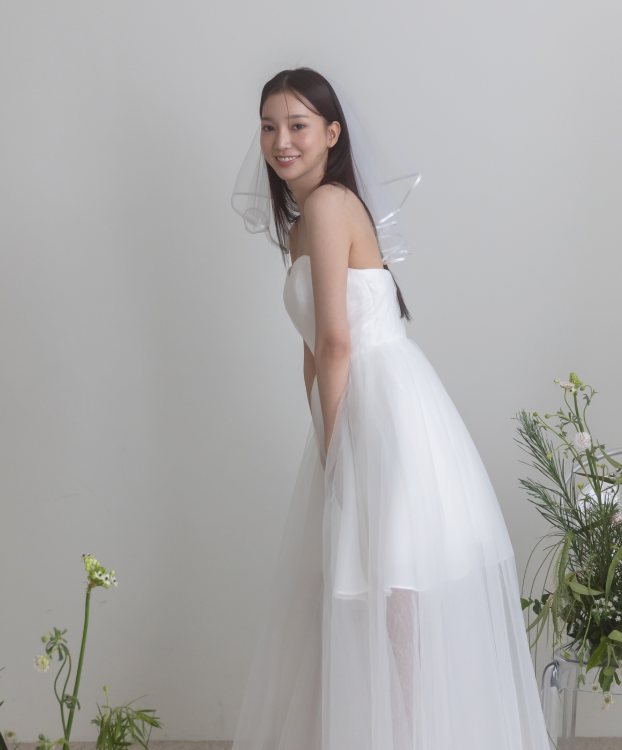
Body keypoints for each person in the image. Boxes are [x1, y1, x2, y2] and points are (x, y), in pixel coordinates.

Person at [230, 67, 550, 750]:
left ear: (331, 133)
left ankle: (411, 734)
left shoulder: (326, 206)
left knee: (392, 592)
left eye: (297, 126)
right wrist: (326, 438)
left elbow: (336, 344)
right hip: (358, 406)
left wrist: (338, 448)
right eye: (269, 127)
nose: (281, 141)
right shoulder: (304, 223)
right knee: (378, 590)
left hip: (380, 411)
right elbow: (314, 349)